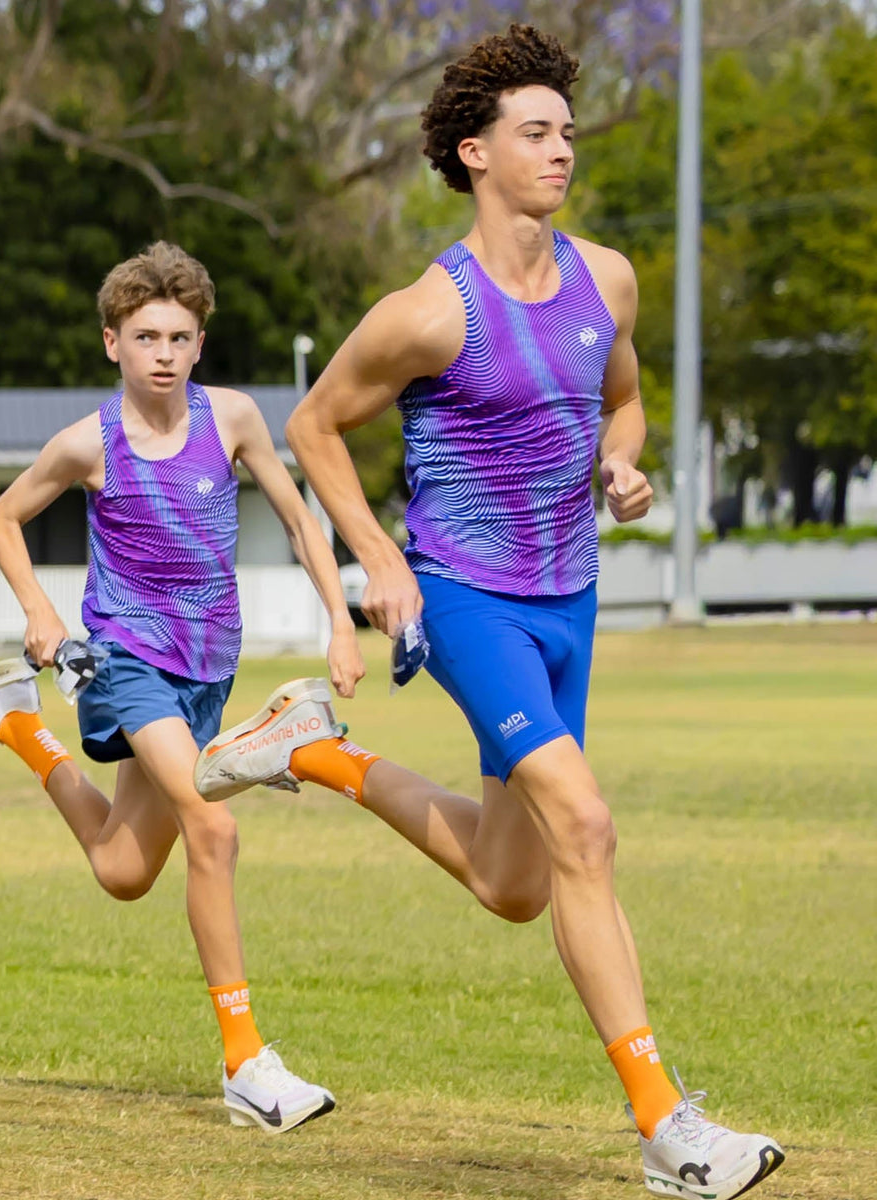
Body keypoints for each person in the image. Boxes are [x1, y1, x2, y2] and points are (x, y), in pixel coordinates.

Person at [194, 26, 785, 1199]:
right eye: (536, 132)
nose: (561, 150)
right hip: (468, 601)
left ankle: (311, 750)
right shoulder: (428, 311)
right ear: (476, 152)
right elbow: (314, 425)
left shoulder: (606, 278)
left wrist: (624, 463)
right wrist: (379, 559)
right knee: (586, 826)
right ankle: (667, 1126)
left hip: (572, 599)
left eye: (567, 132)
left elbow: (624, 400)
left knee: (517, 884)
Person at [0, 240, 364, 1133]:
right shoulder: (90, 442)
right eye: (146, 336)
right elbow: (3, 517)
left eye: (180, 337)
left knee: (122, 871)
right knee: (213, 827)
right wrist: (40, 610)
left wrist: (341, 622)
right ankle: (246, 1064)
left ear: (200, 344)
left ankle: (16, 726)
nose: (164, 353)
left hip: (208, 668)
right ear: (112, 342)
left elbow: (299, 519)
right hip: (125, 658)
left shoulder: (234, 418)